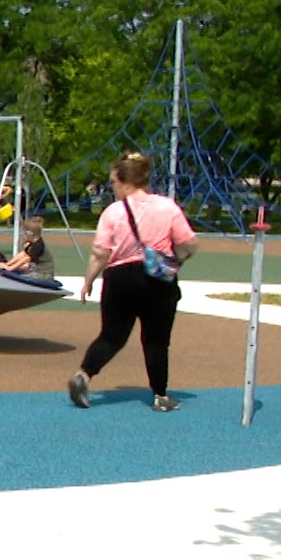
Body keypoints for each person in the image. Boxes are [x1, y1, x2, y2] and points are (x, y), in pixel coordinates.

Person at [67, 152, 198, 413]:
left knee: (112, 335)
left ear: (123, 181)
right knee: (156, 340)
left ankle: (84, 374)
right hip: (158, 279)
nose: (113, 188)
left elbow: (100, 253)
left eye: (113, 183)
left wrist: (88, 281)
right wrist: (177, 258)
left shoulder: (113, 212)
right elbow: (189, 243)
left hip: (120, 278)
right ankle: (160, 395)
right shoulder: (167, 207)